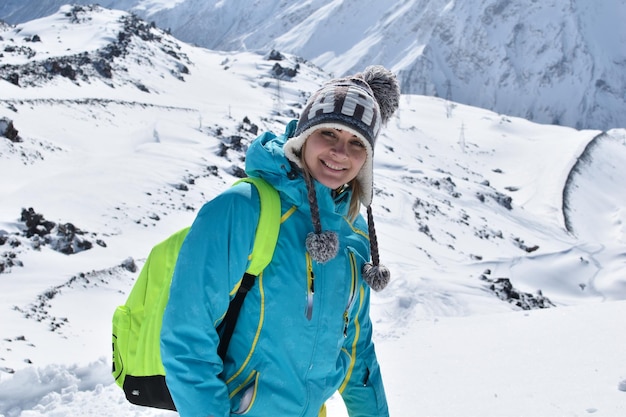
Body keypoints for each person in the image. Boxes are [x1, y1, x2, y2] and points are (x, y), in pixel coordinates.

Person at [160, 65, 400, 417]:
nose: (339, 152)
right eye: (329, 134)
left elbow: (356, 352)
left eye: (356, 143)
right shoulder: (243, 209)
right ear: (304, 136)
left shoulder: (355, 235)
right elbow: (186, 339)